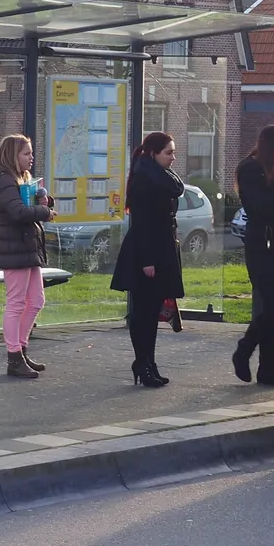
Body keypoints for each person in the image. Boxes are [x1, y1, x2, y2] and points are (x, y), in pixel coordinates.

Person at [110, 132, 186, 387]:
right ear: (154, 153)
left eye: (173, 152)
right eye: (168, 153)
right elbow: (143, 223)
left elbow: (175, 189)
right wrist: (147, 260)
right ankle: (142, 363)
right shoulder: (145, 180)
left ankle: (148, 363)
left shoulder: (159, 176)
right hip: (148, 252)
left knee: (152, 312)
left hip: (161, 247)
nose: (173, 158)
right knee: (143, 313)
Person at [230, 125, 274, 388]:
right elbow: (262, 206)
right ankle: (244, 350)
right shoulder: (251, 169)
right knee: (272, 307)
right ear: (269, 145)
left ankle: (267, 369)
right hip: (264, 247)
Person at [0, 134, 57, 379]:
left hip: (27, 246)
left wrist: (43, 202)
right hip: (13, 247)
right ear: (12, 155)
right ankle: (13, 356)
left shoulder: (22, 178)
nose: (31, 158)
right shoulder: (3, 179)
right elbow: (17, 211)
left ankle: (22, 349)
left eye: (31, 153)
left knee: (36, 300)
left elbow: (27, 205)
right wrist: (44, 212)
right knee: (16, 302)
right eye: (26, 153)